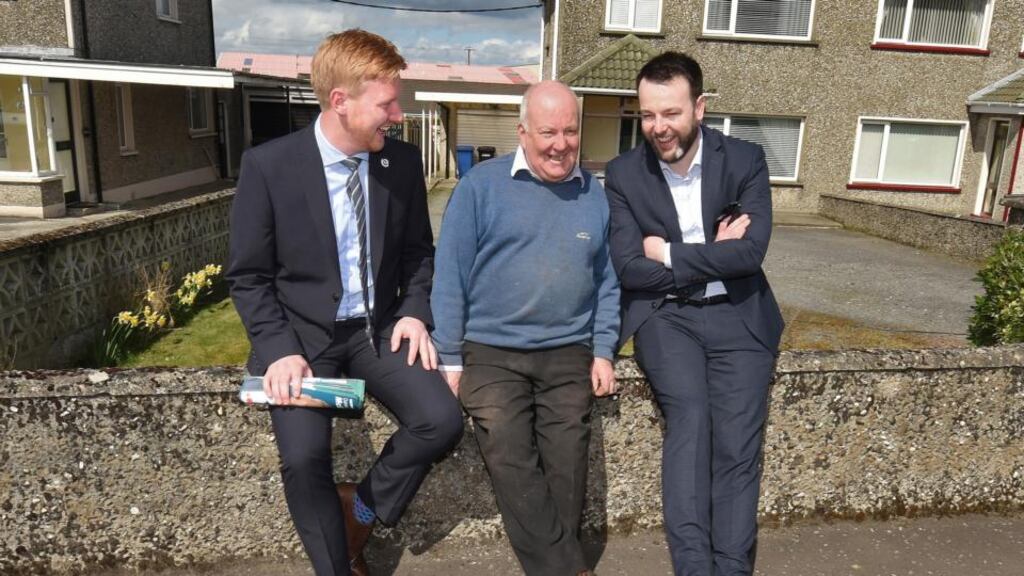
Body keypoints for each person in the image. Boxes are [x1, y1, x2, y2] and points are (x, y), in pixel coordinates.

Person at [226, 29, 463, 576]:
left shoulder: (399, 165)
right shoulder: (270, 166)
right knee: (305, 457)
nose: (397, 115)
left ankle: (361, 507)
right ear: (340, 101)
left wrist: (413, 312)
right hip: (300, 341)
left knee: (440, 419)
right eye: (387, 103)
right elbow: (249, 277)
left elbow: (418, 257)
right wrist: (279, 349)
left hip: (374, 331)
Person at [603, 52, 784, 576]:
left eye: (671, 113)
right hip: (667, 318)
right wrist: (711, 255)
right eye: (648, 115)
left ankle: (730, 569)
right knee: (691, 422)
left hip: (741, 318)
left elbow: (750, 255)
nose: (658, 127)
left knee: (738, 445)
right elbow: (628, 268)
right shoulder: (621, 174)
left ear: (699, 108)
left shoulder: (745, 160)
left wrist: (670, 253)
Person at [430, 80, 620, 576]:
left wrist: (603, 350)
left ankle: (553, 566)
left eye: (571, 131)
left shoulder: (593, 196)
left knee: (568, 457)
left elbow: (606, 281)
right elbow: (449, 272)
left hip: (566, 350)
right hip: (492, 350)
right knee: (509, 449)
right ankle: (566, 567)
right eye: (548, 132)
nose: (561, 144)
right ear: (522, 132)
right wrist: (449, 355)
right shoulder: (480, 187)